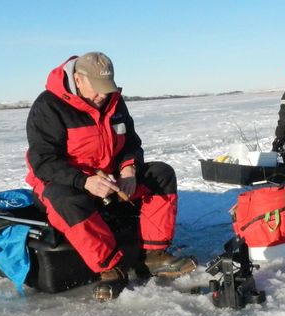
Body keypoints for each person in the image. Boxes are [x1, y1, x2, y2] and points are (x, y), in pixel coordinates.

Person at [25, 52, 197, 301]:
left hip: (110, 177)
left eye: (106, 89)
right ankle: (110, 268)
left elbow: (131, 143)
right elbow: (43, 162)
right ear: (78, 80)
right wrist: (85, 181)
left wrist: (129, 169)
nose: (102, 96)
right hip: (65, 181)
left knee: (161, 174)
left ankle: (155, 256)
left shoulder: (114, 101)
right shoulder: (48, 107)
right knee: (64, 199)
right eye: (96, 90)